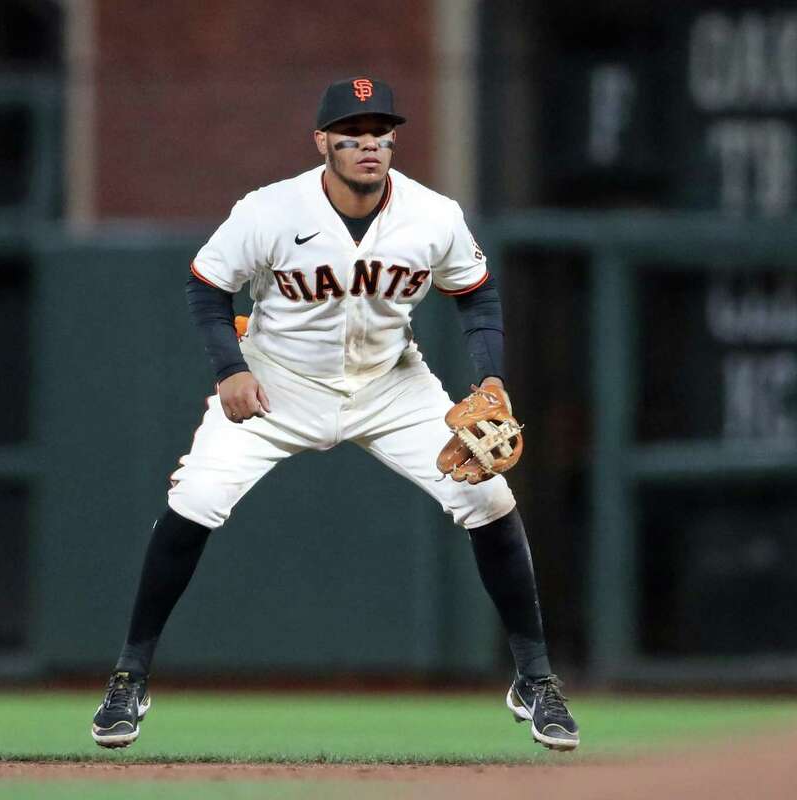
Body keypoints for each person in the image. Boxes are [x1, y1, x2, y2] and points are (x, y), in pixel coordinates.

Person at [90, 77, 579, 752]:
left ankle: (536, 681)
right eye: (353, 134)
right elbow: (207, 287)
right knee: (197, 497)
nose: (370, 146)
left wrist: (489, 377)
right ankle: (129, 677)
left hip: (391, 385)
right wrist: (230, 369)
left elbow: (477, 295)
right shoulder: (268, 210)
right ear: (323, 142)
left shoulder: (433, 215)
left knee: (491, 498)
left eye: (381, 133)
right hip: (277, 383)